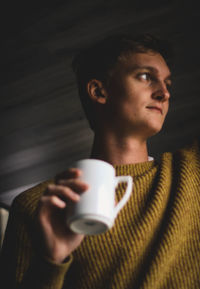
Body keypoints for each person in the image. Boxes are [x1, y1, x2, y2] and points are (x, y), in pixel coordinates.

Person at [0, 33, 200, 289]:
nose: (164, 93)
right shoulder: (37, 206)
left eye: (167, 83)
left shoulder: (192, 169)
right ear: (99, 91)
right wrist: (50, 261)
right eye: (145, 76)